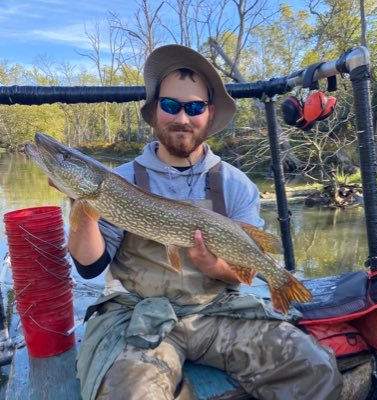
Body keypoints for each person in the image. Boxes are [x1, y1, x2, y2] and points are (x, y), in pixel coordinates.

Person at [68, 44, 343, 400]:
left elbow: (242, 275)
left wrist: (215, 266)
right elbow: (89, 268)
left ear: (209, 114)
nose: (182, 117)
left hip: (215, 312)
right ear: (154, 112)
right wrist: (81, 203)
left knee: (315, 367)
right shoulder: (119, 181)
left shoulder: (235, 183)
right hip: (139, 316)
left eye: (194, 107)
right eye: (171, 105)